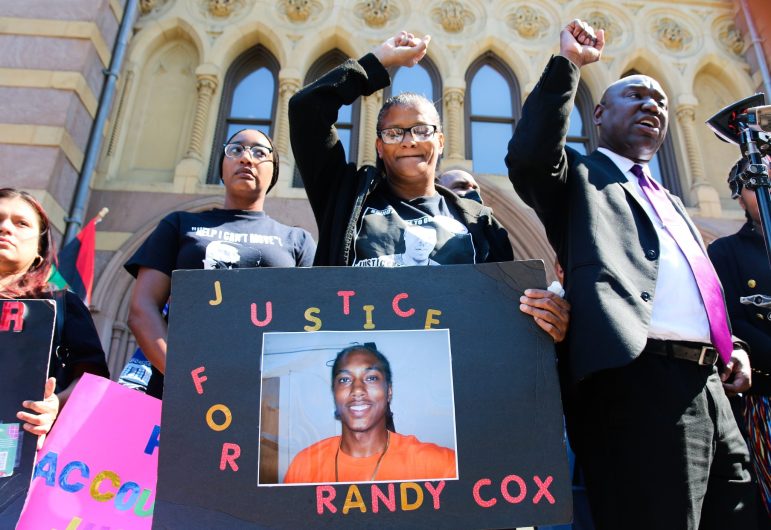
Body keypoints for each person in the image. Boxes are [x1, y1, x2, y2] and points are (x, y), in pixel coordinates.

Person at [506, 19, 757, 530]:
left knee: (738, 517)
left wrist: (732, 349)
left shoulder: (670, 201)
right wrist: (569, 65)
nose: (653, 107)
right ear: (599, 115)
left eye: (661, 102)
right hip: (638, 384)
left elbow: (690, 291)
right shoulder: (581, 180)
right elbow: (531, 156)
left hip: (711, 386)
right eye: (638, 96)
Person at [289, 31, 570, 342]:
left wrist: (547, 319)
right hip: (364, 372)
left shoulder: (479, 222)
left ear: (440, 140)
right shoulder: (346, 198)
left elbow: (505, 313)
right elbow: (305, 109)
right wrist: (378, 62)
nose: (409, 140)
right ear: (379, 146)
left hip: (455, 377)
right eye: (395, 133)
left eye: (422, 130)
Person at [125, 129, 316, 399]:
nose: (246, 158)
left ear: (274, 171)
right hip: (179, 390)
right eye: (235, 150)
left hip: (262, 397)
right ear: (222, 168)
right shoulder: (179, 225)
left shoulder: (297, 240)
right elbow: (142, 308)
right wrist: (184, 375)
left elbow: (311, 324)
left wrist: (272, 385)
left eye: (260, 153)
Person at [0, 189, 109, 444]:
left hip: (16, 452)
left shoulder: (61, 304)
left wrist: (54, 407)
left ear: (40, 247)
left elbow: (93, 379)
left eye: (21, 223)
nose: (5, 228)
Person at [284, 344, 456, 483]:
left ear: (389, 391)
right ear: (334, 394)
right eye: (344, 380)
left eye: (371, 378)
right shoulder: (303, 466)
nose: (357, 390)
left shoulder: (441, 466)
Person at [708, 158, 771, 521]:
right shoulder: (725, 253)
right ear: (738, 195)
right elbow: (730, 325)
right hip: (763, 402)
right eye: (755, 184)